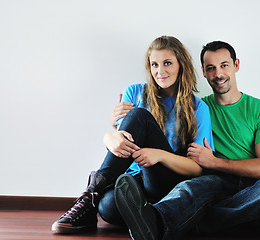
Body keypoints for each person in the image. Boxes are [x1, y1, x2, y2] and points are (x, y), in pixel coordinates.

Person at [112, 41, 260, 240]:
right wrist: (116, 126)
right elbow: (160, 134)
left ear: (236, 65)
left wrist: (215, 161)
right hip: (212, 182)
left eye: (224, 65)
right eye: (211, 68)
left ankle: (188, 223)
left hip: (251, 186)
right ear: (203, 72)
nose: (218, 74)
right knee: (189, 188)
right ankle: (172, 221)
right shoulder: (196, 107)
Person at [51, 36, 214, 234]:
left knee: (140, 115)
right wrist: (109, 137)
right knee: (107, 207)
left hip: (165, 181)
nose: (160, 71)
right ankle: (144, 212)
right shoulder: (135, 93)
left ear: (182, 65)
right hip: (133, 178)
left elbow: (197, 168)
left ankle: (89, 197)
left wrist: (160, 155)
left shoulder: (198, 108)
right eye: (154, 64)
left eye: (168, 63)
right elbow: (119, 145)